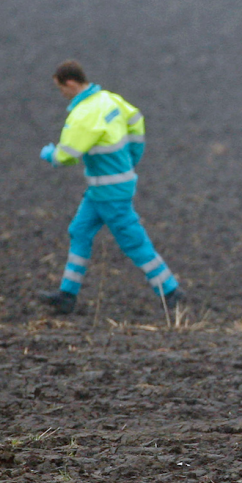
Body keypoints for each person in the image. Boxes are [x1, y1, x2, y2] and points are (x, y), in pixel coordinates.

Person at [38, 60, 183, 314]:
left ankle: (170, 290)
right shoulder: (109, 99)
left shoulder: (83, 115)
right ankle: (67, 295)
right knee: (79, 231)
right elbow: (136, 120)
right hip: (104, 189)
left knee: (133, 241)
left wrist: (49, 153)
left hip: (109, 192)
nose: (61, 94)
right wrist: (132, 156)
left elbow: (67, 155)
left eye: (60, 88)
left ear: (70, 83)